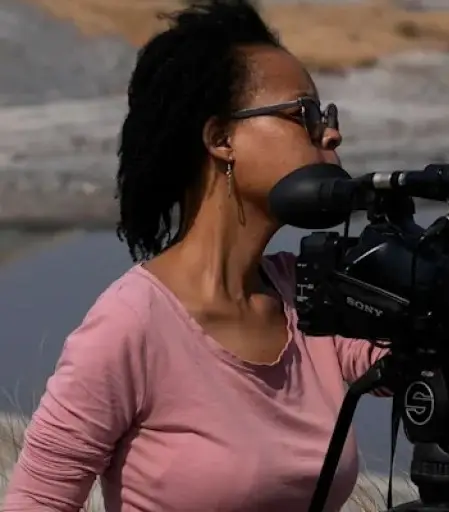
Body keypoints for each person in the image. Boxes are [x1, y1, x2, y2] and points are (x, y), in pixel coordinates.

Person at [3, 1, 392, 510]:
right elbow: (36, 501)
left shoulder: (309, 299)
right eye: (305, 114)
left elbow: (424, 358)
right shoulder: (133, 324)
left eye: (327, 115)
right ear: (221, 139)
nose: (331, 132)